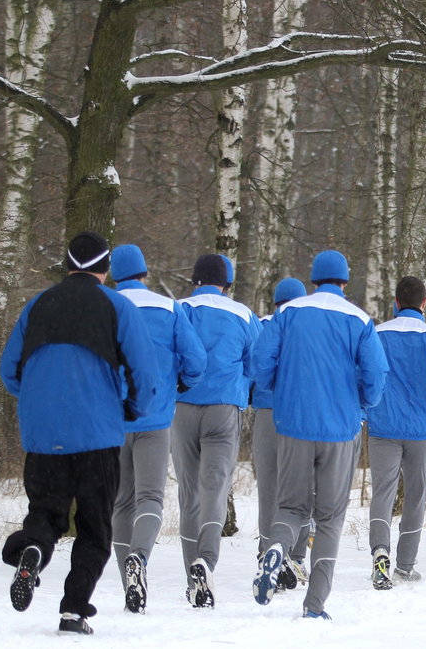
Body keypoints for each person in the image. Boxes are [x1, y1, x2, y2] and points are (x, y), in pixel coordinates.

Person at [0, 231, 159, 635]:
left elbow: (10, 371)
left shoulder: (37, 305)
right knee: (94, 526)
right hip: (97, 434)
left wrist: (40, 402)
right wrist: (131, 409)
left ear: (67, 265)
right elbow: (145, 372)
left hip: (42, 433)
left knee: (45, 512)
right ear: (106, 269)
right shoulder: (117, 306)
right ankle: (73, 611)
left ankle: (33, 547)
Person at [251, 250, 388, 618]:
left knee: (291, 506)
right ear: (345, 281)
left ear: (313, 280)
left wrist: (277, 388)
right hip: (340, 430)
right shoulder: (359, 319)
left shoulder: (288, 313)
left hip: (293, 424)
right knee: (329, 517)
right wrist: (363, 401)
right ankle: (314, 604)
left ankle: (276, 549)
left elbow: (260, 361)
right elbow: (376, 376)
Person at [109, 245, 207, 614]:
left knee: (121, 501)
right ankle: (140, 557)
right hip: (155, 415)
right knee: (150, 497)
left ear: (114, 274)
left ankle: (128, 586)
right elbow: (196, 359)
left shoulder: (105, 305)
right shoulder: (169, 307)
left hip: (112, 419)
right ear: (145, 273)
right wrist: (181, 384)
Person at [174, 254, 261, 607]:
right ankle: (206, 562)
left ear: (195, 279)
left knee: (188, 491)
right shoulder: (243, 314)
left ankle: (190, 576)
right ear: (226, 284)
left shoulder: (177, 309)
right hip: (224, 407)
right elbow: (256, 362)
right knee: (215, 487)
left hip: (181, 406)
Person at [366, 276, 426, 588]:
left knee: (382, 493)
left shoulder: (376, 333)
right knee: (416, 496)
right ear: (424, 303)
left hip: (382, 426)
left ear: (395, 302)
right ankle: (404, 566)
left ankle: (380, 551)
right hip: (421, 429)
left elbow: (365, 372)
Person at [251, 277, 311, 591]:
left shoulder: (263, 325)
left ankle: (267, 552)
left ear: (275, 302)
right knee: (299, 489)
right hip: (300, 414)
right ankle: (296, 555)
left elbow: (254, 367)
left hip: (265, 414)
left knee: (268, 491)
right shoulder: (308, 329)